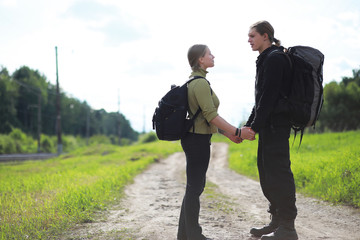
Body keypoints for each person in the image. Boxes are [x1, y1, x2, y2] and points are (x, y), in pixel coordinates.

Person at [177, 44, 255, 240]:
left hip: (195, 138)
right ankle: (194, 235)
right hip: (197, 141)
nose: (213, 56)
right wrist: (237, 131)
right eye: (209, 54)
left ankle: (185, 235)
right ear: (200, 60)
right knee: (195, 188)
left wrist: (228, 134)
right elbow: (211, 116)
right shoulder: (200, 83)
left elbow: (204, 117)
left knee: (193, 187)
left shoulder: (194, 81)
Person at [245, 21, 298, 240]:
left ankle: (288, 227)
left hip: (277, 126)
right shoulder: (267, 58)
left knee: (279, 174)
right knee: (267, 174)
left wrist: (254, 127)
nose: (249, 40)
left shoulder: (275, 59)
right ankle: (277, 221)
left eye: (252, 36)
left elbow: (269, 97)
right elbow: (261, 98)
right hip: (269, 126)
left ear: (265, 36)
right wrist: (250, 125)